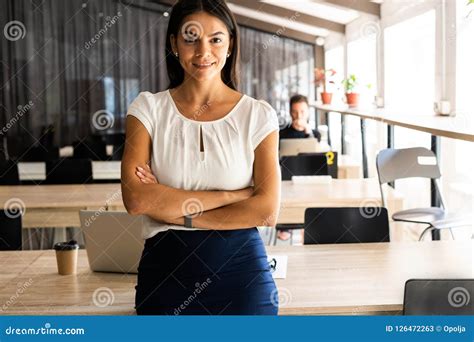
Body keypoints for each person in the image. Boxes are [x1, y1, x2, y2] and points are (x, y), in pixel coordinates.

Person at [121, 0, 281, 315]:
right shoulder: (147, 109)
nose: (203, 51)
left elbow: (265, 211)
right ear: (174, 44)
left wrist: (176, 213)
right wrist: (233, 196)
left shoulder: (258, 115)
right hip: (165, 276)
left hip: (243, 277)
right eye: (191, 38)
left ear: (231, 44)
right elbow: (138, 200)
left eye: (216, 39)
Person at [278, 94, 321, 241]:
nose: (298, 115)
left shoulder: (314, 134)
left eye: (302, 112)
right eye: (295, 112)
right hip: (287, 173)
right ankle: (286, 223)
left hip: (309, 174)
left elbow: (317, 155)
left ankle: (308, 223)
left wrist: (307, 131)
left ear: (308, 111)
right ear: (290, 112)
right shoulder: (282, 133)